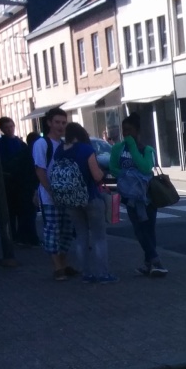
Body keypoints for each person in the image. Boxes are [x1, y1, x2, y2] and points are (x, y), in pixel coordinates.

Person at [110, 113, 166, 277]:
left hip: (148, 196)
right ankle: (153, 262)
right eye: (124, 131)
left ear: (137, 131)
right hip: (131, 197)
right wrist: (128, 177)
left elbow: (145, 168)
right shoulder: (117, 148)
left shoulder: (147, 149)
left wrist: (133, 147)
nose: (126, 134)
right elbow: (113, 168)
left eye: (130, 130)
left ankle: (152, 263)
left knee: (149, 230)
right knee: (139, 230)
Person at [57, 122, 112, 283]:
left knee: (81, 237)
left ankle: (86, 274)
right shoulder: (86, 149)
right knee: (98, 238)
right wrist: (102, 173)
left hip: (70, 199)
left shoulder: (60, 151)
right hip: (90, 197)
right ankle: (103, 274)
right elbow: (96, 176)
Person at [32, 108, 79, 281]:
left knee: (66, 231)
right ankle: (58, 267)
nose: (60, 126)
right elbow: (40, 169)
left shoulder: (65, 143)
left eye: (63, 122)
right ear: (49, 123)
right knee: (52, 230)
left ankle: (64, 263)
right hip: (50, 197)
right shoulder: (42, 144)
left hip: (66, 195)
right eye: (57, 122)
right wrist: (50, 191)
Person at [0, 116, 40, 247]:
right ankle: (13, 237)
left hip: (21, 183)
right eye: (6, 128)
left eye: (11, 126)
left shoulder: (20, 143)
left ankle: (23, 236)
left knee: (23, 211)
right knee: (10, 212)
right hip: (8, 183)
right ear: (2, 129)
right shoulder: (0, 145)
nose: (10, 129)